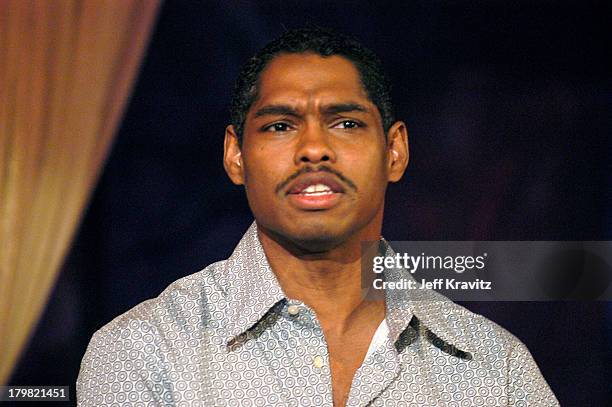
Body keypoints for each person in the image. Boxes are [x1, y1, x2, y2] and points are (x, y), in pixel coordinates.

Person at [77, 27, 559, 406]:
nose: (313, 149)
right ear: (235, 155)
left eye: (346, 123)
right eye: (280, 125)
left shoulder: (497, 371)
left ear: (394, 150)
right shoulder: (141, 354)